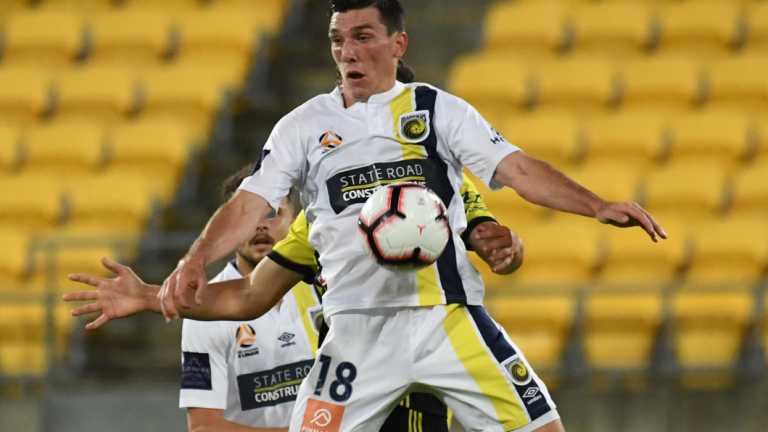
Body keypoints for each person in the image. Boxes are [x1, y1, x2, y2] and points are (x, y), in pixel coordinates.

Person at [72, 1, 666, 430]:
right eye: (337, 40)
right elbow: (250, 229)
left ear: (398, 43)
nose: (347, 52)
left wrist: (596, 205)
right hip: (355, 331)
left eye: (362, 37)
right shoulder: (305, 132)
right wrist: (187, 265)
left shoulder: (437, 112)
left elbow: (516, 169)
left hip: (446, 318)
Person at [66, 167, 522, 432]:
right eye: (251, 218)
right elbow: (204, 426)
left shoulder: (333, 286)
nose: (261, 226)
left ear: (296, 220)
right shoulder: (204, 312)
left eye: (274, 213)